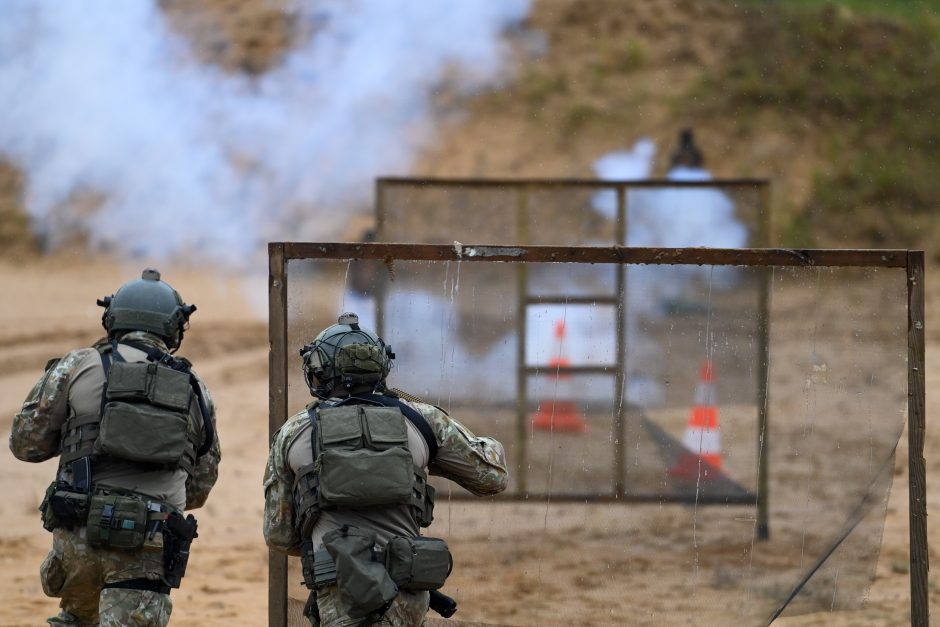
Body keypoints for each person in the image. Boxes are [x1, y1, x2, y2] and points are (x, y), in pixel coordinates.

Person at [263, 312, 508, 626]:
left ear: (320, 371)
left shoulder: (294, 432)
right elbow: (493, 478)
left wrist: (336, 547)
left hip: (339, 594)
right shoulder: (422, 420)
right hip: (407, 588)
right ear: (381, 367)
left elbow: (279, 535)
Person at [9, 268, 221, 627]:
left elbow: (26, 445)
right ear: (174, 327)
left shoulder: (76, 366)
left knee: (74, 619)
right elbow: (199, 487)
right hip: (149, 541)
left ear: (112, 317)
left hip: (78, 535)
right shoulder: (195, 387)